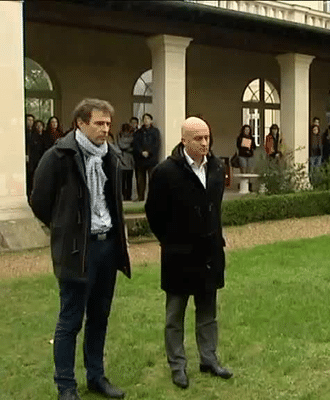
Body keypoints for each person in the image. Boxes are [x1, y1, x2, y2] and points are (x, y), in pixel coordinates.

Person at [29, 99, 131, 400]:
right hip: (76, 250)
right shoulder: (59, 156)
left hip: (107, 247)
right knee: (70, 319)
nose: (105, 129)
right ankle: (66, 385)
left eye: (108, 124)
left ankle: (96, 377)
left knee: (99, 317)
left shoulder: (111, 155)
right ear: (81, 124)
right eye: (99, 124)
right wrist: (66, 228)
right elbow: (40, 202)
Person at [145, 117, 231, 390]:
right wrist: (171, 241)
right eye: (198, 139)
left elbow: (214, 209)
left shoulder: (216, 167)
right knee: (175, 316)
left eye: (207, 138)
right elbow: (154, 213)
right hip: (179, 255)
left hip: (210, 253)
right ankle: (178, 366)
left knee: (208, 312)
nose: (205, 143)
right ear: (184, 140)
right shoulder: (165, 172)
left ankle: (209, 359)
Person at [133, 113, 161, 201]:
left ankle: (152, 198)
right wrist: (141, 152)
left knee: (152, 179)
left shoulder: (155, 131)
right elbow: (135, 144)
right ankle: (140, 197)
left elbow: (156, 144)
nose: (146, 120)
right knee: (140, 180)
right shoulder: (138, 132)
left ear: (151, 120)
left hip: (152, 159)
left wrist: (149, 152)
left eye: (148, 118)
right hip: (140, 160)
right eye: (144, 119)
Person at [116, 123, 135, 200]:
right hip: (124, 159)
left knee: (126, 180)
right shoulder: (121, 135)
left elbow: (118, 146)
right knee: (125, 180)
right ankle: (126, 195)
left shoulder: (120, 137)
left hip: (126, 159)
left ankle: (127, 196)